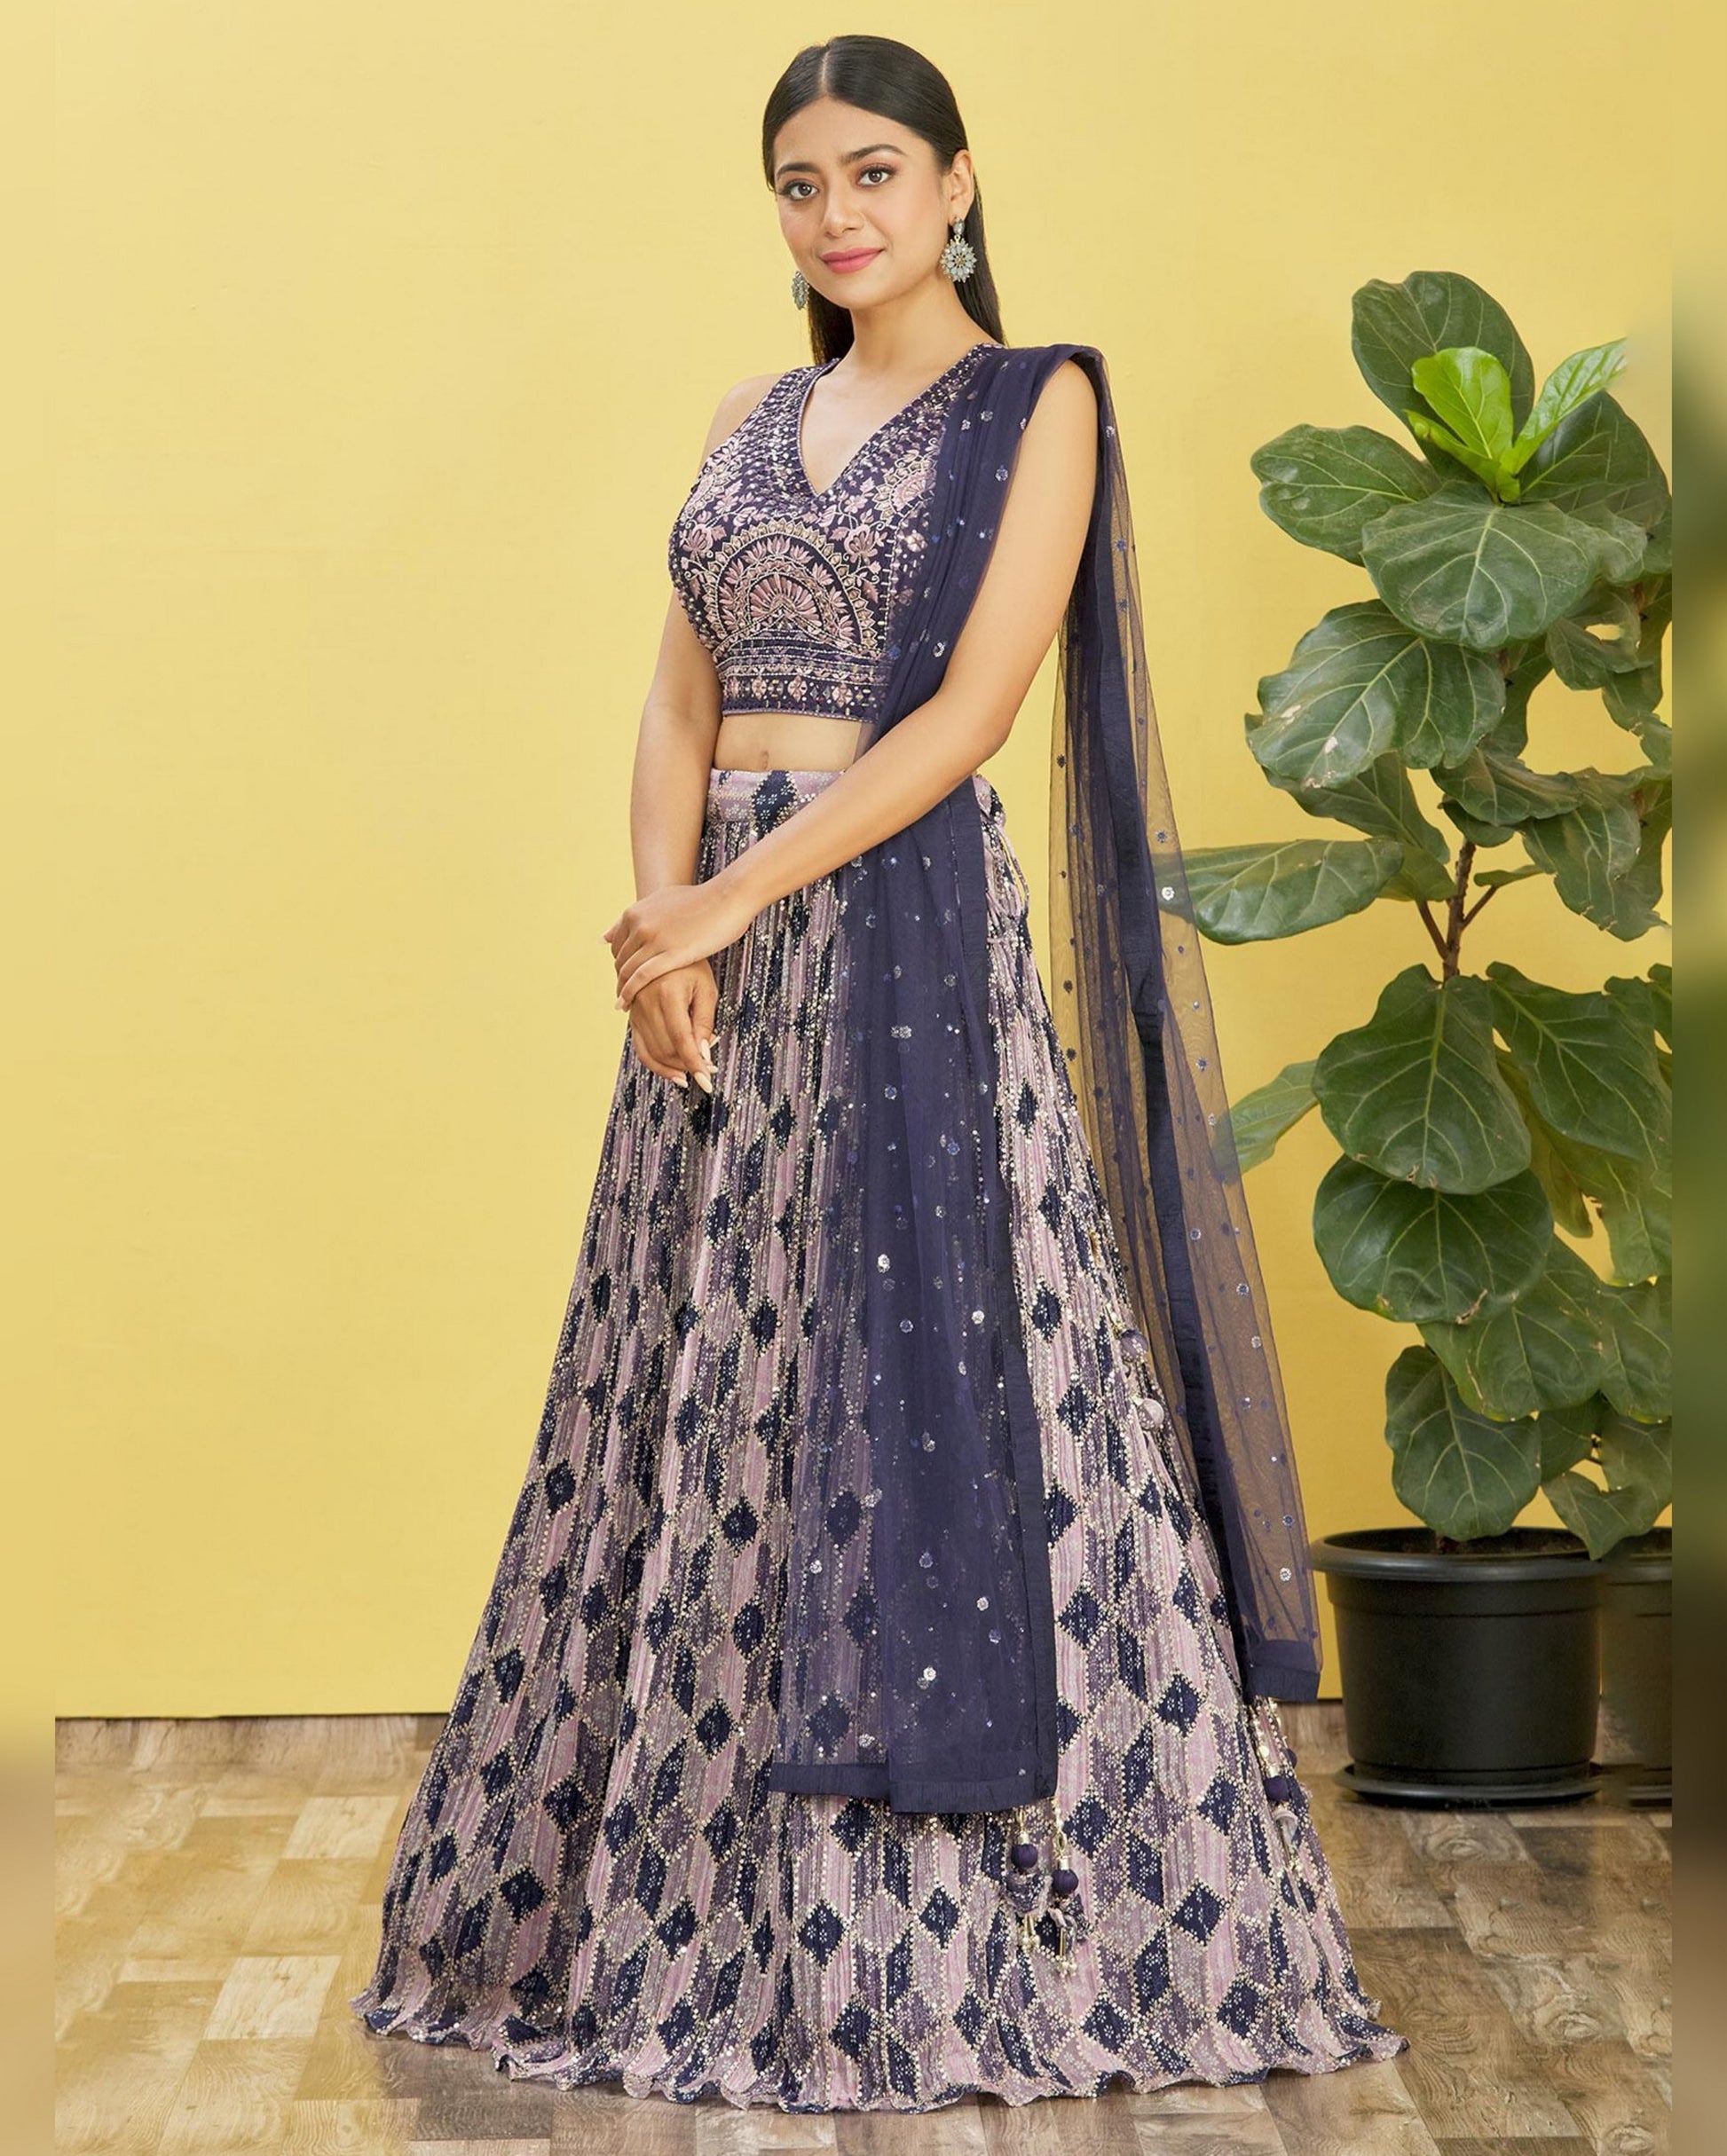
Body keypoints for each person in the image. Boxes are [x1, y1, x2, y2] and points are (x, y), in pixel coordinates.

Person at [351, 31, 1409, 2113]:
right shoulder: (750, 417)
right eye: (799, 185)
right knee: (697, 1407)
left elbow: (965, 720)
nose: (838, 216)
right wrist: (655, 917)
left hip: (890, 951)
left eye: (873, 174)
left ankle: (1001, 1929)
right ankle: (672, 1912)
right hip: (713, 961)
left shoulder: (1042, 403)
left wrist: (731, 912)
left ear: (956, 185)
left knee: (934, 1380)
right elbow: (681, 698)